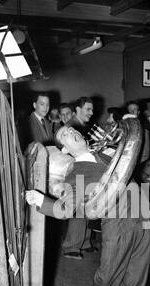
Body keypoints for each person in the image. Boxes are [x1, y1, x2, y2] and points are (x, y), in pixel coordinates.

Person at [26, 126, 150, 286]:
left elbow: (142, 153)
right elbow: (65, 209)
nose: (71, 131)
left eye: (70, 129)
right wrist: (40, 201)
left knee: (136, 275)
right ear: (65, 149)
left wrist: (138, 127)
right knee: (108, 274)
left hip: (145, 216)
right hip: (117, 224)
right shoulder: (76, 172)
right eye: (65, 134)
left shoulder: (108, 151)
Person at [62, 97, 95, 259]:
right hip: (76, 171)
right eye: (88, 109)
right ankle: (71, 246)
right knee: (79, 209)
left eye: (92, 109)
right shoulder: (71, 127)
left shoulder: (83, 126)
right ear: (78, 109)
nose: (91, 112)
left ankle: (85, 241)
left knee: (87, 206)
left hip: (85, 170)